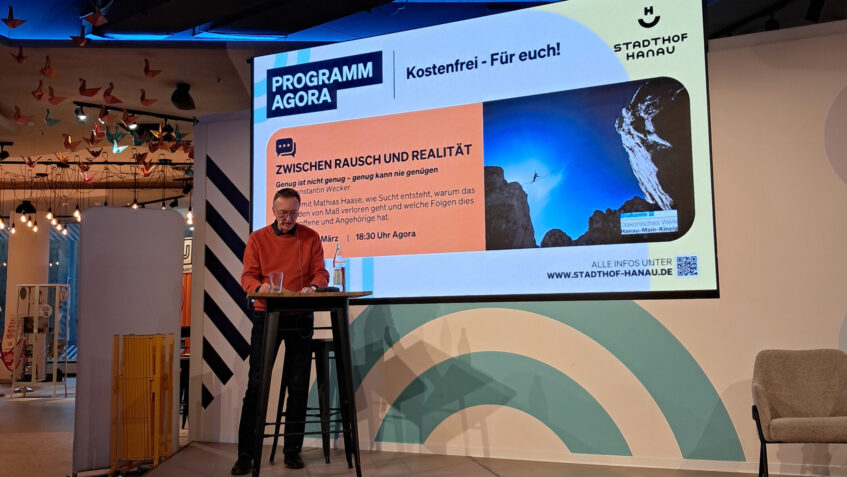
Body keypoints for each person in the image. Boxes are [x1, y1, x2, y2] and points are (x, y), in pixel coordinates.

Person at [231, 187, 329, 474]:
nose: (288, 218)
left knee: (298, 384)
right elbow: (247, 276)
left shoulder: (310, 237)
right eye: (283, 213)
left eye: (293, 213)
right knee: (256, 384)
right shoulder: (258, 238)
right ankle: (245, 455)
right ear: (273, 211)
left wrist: (314, 287)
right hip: (267, 316)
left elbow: (321, 272)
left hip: (300, 316)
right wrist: (258, 287)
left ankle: (292, 450)